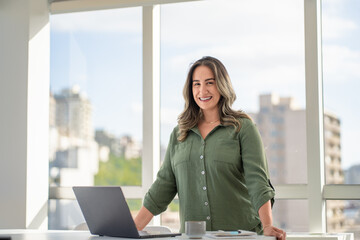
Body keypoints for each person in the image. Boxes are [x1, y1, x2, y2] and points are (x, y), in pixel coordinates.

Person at [134, 56, 286, 240]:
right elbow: (163, 187)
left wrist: (268, 225)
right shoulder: (179, 134)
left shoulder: (243, 128)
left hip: (241, 236)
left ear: (221, 85)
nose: (202, 90)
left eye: (209, 83)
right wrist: (132, 230)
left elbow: (258, 183)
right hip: (193, 237)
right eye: (196, 84)